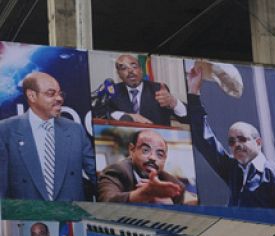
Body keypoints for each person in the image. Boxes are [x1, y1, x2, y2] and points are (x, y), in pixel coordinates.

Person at [186, 64, 275, 209]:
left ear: (258, 142)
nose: (236, 144)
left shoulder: (274, 174)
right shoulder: (234, 170)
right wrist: (193, 92)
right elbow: (204, 140)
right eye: (231, 142)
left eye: (243, 139)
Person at [0, 72, 96, 201]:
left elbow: (96, 175)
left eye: (60, 93)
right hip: (27, 216)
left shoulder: (75, 130)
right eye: (51, 94)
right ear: (32, 95)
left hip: (70, 216)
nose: (59, 99)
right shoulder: (6, 130)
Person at [97, 129, 184, 204]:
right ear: (132, 150)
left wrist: (170, 206)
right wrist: (141, 195)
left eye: (159, 154)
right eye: (145, 150)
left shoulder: (175, 185)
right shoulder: (116, 171)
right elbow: (106, 202)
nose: (153, 157)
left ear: (165, 159)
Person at [106, 54, 189, 126]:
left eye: (134, 66)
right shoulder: (114, 91)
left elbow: (186, 118)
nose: (130, 71)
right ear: (119, 74)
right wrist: (127, 116)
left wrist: (173, 102)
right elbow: (103, 112)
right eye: (124, 68)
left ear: (141, 70)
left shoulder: (158, 89)